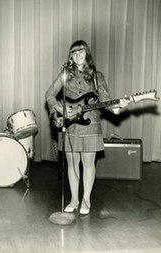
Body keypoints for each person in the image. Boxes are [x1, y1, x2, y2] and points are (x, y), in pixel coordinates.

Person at [45, 40, 129, 215]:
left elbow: (106, 101)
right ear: (70, 56)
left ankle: (86, 200)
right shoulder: (65, 74)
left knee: (88, 163)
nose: (78, 56)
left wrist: (117, 106)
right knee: (72, 163)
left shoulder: (97, 76)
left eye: (81, 52)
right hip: (70, 125)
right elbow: (50, 94)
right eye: (74, 53)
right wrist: (61, 109)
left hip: (91, 124)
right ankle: (74, 199)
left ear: (87, 53)